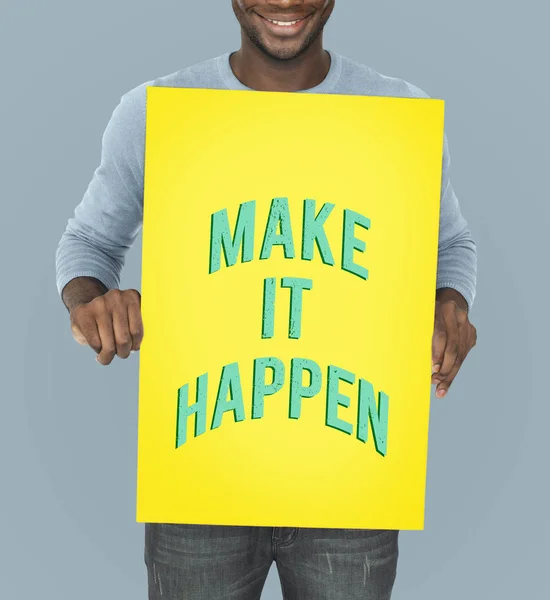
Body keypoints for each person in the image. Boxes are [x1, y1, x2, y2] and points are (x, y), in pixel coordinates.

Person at [55, 1, 478, 598]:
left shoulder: (399, 113)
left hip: (353, 477)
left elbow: (451, 243)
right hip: (199, 479)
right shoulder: (154, 110)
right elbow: (89, 243)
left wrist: (451, 301)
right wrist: (91, 303)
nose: (283, 1)